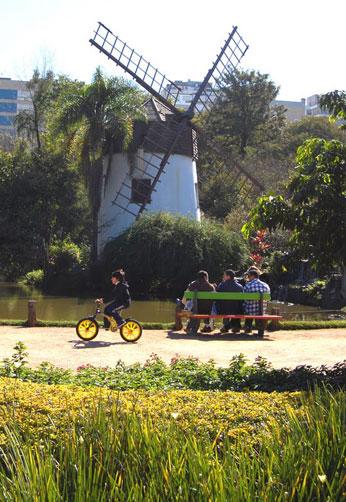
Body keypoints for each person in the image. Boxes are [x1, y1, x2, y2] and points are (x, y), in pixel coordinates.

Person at [185, 270, 215, 335]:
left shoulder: (193, 284)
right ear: (205, 277)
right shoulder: (211, 287)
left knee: (191, 306)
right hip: (207, 311)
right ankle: (207, 326)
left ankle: (189, 327)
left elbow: (186, 296)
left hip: (195, 310)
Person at [243, 268, 270, 336]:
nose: (247, 278)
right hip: (262, 310)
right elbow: (268, 299)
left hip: (250, 311)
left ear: (252, 276)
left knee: (247, 308)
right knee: (256, 309)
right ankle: (260, 330)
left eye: (248, 276)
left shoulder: (248, 285)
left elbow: (244, 299)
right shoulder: (266, 285)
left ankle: (248, 327)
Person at [216, 269, 243, 334]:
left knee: (226, 306)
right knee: (237, 306)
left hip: (223, 310)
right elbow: (241, 300)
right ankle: (236, 326)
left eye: (224, 275)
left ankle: (226, 326)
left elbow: (217, 298)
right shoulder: (239, 286)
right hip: (237, 310)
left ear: (228, 276)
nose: (223, 277)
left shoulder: (221, 285)